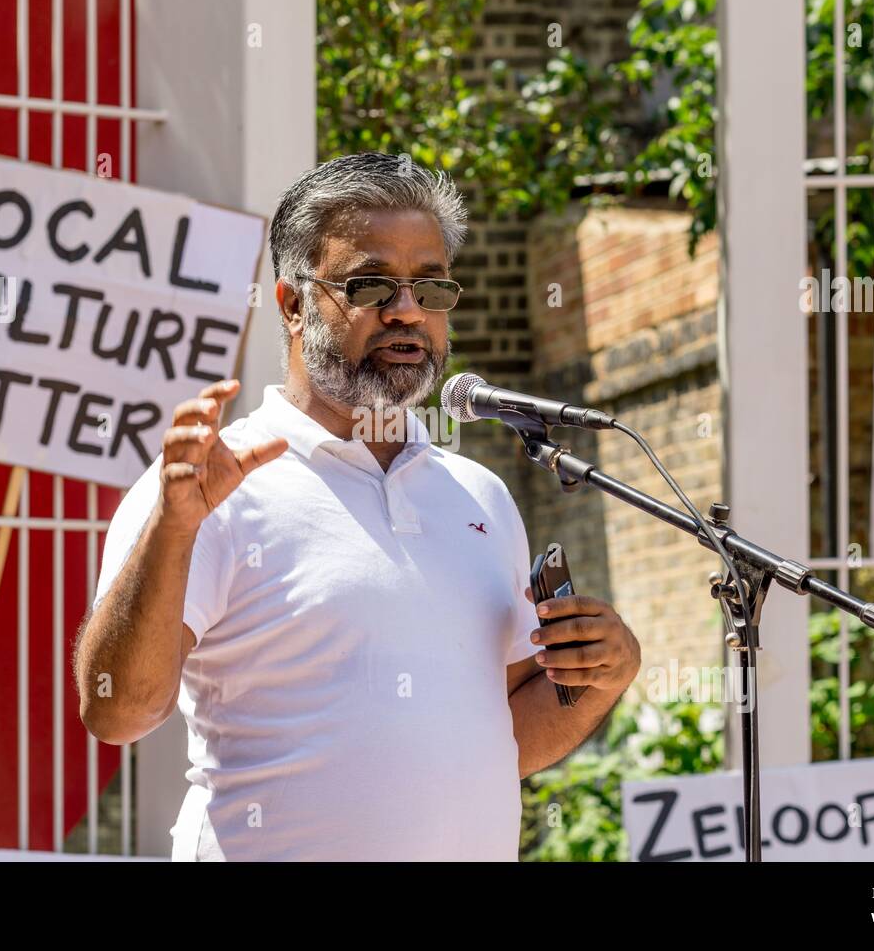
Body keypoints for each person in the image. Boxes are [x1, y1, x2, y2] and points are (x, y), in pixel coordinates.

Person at [75, 152, 640, 860]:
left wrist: (599, 679)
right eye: (370, 284)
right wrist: (172, 528)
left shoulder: (480, 498)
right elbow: (116, 710)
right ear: (291, 304)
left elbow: (502, 740)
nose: (407, 310)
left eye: (431, 289)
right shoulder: (209, 488)